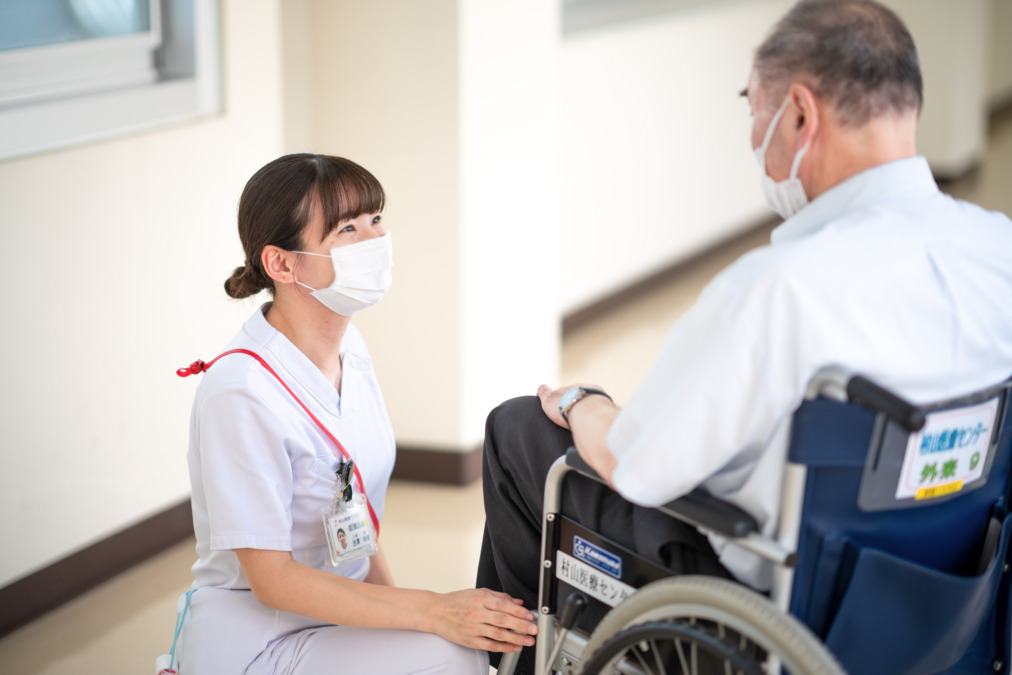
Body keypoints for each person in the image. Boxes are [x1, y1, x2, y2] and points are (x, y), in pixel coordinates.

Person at [477, 1, 1012, 671]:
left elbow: (636, 463)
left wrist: (585, 401)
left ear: (799, 114)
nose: (755, 136)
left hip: (767, 613)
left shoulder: (779, 289)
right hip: (941, 604)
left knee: (520, 429)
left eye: (756, 111)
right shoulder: (997, 248)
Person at [175, 154, 537, 674]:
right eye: (347, 228)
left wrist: (413, 618)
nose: (375, 238)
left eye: (375, 218)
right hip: (259, 637)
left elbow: (353, 515)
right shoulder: (240, 392)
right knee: (454, 655)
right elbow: (272, 580)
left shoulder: (350, 349)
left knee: (468, 647)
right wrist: (430, 611)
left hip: (338, 616)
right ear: (282, 264)